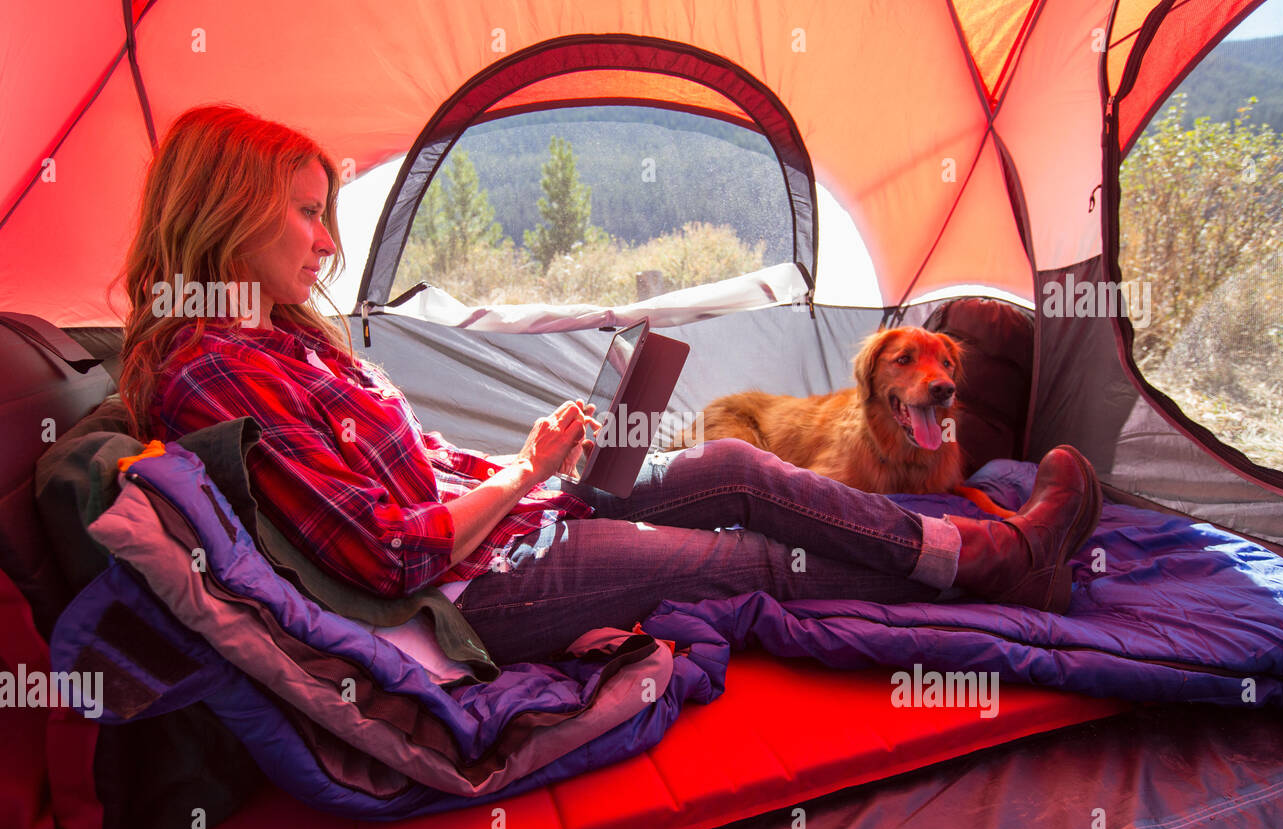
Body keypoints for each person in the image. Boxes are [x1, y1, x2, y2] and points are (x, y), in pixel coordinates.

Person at [117, 105, 1102, 667]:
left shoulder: (278, 338)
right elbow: (384, 553)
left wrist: (523, 464)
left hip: (504, 516)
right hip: (476, 591)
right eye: (303, 215)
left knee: (731, 462)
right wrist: (522, 479)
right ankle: (1000, 560)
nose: (328, 242)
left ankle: (971, 550)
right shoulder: (212, 374)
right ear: (227, 210)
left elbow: (410, 483)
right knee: (753, 560)